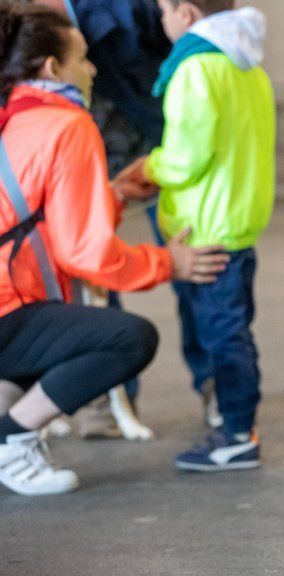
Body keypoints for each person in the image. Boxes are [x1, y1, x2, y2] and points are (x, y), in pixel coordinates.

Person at [0, 2, 229, 495]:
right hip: (7, 311)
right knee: (128, 338)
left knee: (55, 333)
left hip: (9, 307)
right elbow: (86, 255)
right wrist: (171, 262)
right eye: (83, 58)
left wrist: (114, 194)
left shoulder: (14, 115)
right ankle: (13, 441)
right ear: (52, 68)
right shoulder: (68, 124)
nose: (94, 68)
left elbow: (32, 213)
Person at [117, 0, 275, 472]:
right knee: (231, 329)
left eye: (164, 9)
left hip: (205, 229)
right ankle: (234, 423)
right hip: (236, 222)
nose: (160, 19)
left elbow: (186, 157)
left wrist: (149, 165)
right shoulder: (248, 67)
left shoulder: (193, 69)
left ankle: (236, 434)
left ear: (186, 14)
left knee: (222, 335)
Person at [32, 0, 192, 438]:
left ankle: (217, 385)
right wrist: (162, 263)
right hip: (81, 149)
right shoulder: (26, 39)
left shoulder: (130, 8)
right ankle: (95, 405)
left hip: (157, 142)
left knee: (195, 263)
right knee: (88, 293)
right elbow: (88, 251)